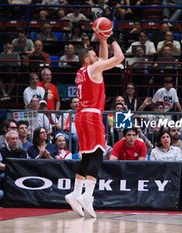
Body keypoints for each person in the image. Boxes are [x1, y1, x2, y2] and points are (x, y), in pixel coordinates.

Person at [65, 31, 124, 218]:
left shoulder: (82, 72)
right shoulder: (93, 68)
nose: (97, 56)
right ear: (87, 60)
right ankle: (87, 196)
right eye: (93, 54)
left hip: (81, 116)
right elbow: (119, 57)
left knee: (87, 158)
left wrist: (102, 40)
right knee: (98, 155)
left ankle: (75, 193)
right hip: (91, 116)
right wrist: (111, 37)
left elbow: (103, 58)